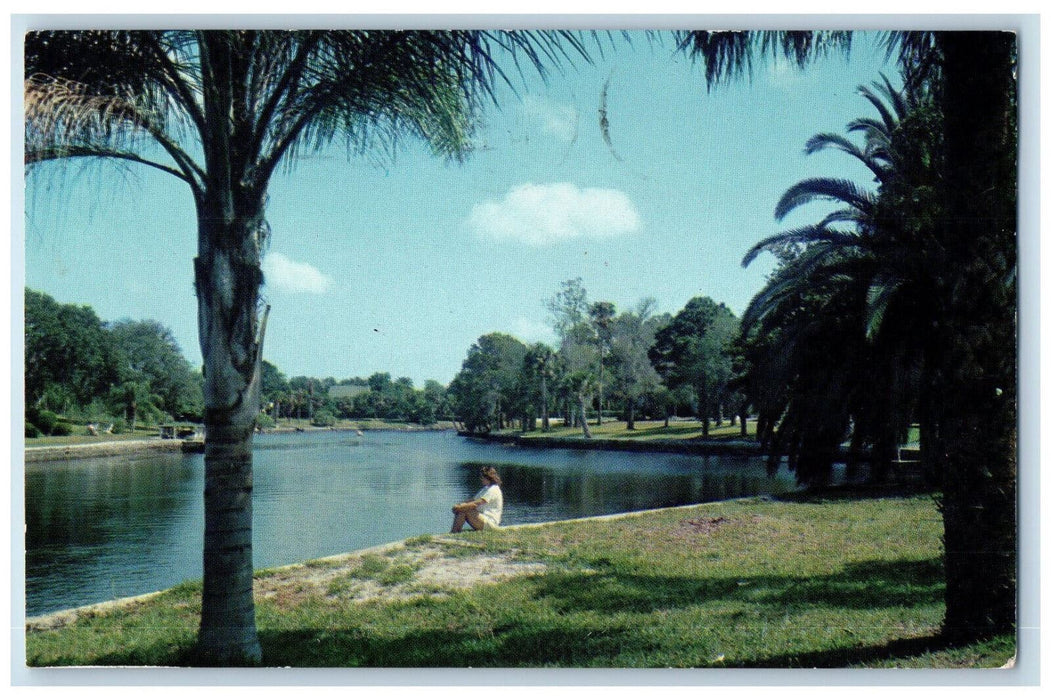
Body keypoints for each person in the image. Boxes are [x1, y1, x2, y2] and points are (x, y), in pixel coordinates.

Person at [451, 466, 503, 533]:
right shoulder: (486, 489)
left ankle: (454, 532)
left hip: (490, 523)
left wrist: (459, 507)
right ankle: (454, 531)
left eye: (482, 477)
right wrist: (459, 505)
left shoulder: (493, 489)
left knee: (464, 509)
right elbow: (473, 500)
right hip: (483, 519)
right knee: (462, 508)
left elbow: (476, 503)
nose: (481, 479)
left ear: (487, 477)